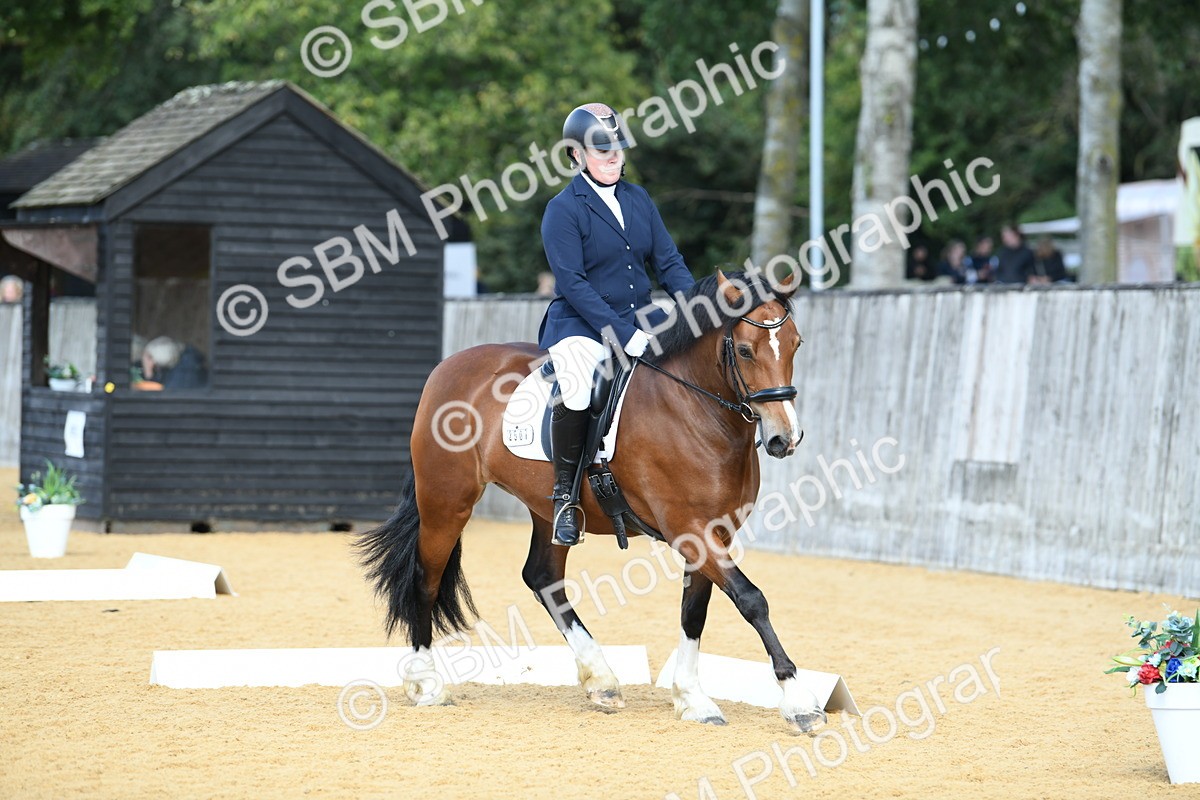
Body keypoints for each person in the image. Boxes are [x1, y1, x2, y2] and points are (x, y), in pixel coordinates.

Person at [537, 102, 696, 546]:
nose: (612, 157)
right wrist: (625, 335)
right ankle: (565, 498)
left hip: (641, 317)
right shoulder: (563, 209)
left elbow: (668, 262)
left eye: (617, 149)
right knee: (577, 387)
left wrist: (698, 310)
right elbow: (573, 284)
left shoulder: (638, 198)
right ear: (576, 155)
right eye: (600, 150)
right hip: (580, 324)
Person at [140, 336, 208, 389]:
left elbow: (158, 398)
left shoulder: (181, 377)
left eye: (150, 357)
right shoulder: (187, 362)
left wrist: (148, 373)